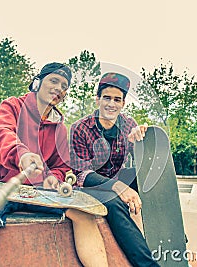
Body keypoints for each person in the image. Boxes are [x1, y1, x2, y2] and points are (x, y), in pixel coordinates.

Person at [0, 62, 108, 267]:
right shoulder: (12, 106)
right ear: (37, 82)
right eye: (53, 80)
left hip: (36, 192)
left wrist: (54, 178)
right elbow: (1, 133)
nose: (58, 88)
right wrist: (21, 154)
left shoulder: (61, 130)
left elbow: (61, 166)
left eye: (64, 85)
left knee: (84, 215)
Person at [70, 72, 159, 267]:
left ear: (123, 103)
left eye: (117, 100)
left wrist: (141, 142)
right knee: (113, 202)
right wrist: (117, 186)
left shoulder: (129, 124)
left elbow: (141, 164)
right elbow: (81, 175)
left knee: (152, 179)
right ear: (98, 100)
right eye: (107, 98)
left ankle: (172, 235)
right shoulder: (79, 128)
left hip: (117, 178)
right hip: (89, 186)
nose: (112, 104)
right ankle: (147, 264)